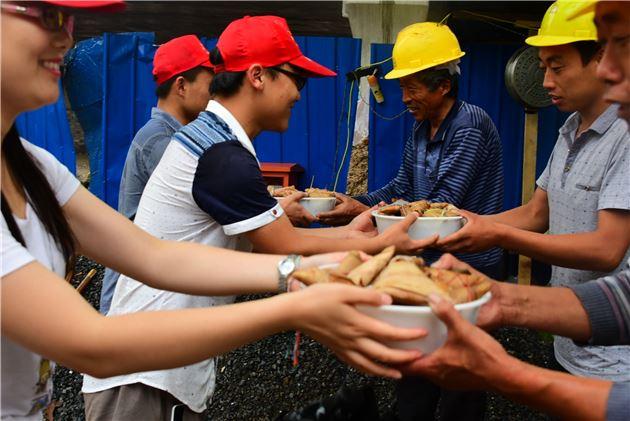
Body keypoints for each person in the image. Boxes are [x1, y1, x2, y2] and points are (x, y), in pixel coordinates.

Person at [0, 3, 427, 420]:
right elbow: (92, 342)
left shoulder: (32, 166)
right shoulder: (219, 151)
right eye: (47, 14)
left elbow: (155, 255)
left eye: (70, 17)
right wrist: (302, 298)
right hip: (145, 375)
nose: (68, 34)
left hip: (159, 368)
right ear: (257, 76)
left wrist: (301, 271)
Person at [400, 2, 630, 418]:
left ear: (602, 58)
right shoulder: (569, 129)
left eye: (557, 67)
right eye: (542, 67)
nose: (545, 81)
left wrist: (494, 235)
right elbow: (536, 213)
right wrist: (470, 225)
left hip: (618, 361)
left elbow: (606, 249)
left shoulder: (624, 135)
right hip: (570, 335)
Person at [318, 22, 505, 274]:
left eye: (412, 89)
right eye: (403, 88)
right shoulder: (422, 127)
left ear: (443, 86)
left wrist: (365, 211)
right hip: (429, 256)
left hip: (469, 263)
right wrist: (354, 202)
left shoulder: (469, 126)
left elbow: (442, 206)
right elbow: (401, 186)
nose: (405, 98)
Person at [99, 34, 214, 314]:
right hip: (133, 291)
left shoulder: (170, 136)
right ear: (182, 86)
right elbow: (208, 197)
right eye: (209, 85)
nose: (213, 95)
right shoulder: (160, 140)